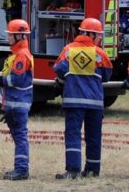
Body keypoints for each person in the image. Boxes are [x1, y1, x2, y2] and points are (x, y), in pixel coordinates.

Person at [53, 18, 113, 179]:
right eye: (99, 36)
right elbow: (106, 75)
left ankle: (73, 171)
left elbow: (58, 68)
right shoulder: (100, 54)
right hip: (95, 103)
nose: (100, 39)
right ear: (92, 35)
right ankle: (93, 170)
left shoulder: (68, 50)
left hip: (74, 101)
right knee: (94, 137)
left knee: (73, 135)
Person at [0, 19, 33, 180]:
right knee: (18, 137)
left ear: (19, 36)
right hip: (13, 104)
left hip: (17, 103)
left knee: (20, 137)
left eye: (10, 35)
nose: (8, 38)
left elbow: (17, 80)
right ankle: (20, 169)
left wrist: (0, 80)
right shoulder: (15, 55)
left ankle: (21, 170)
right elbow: (10, 75)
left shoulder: (22, 55)